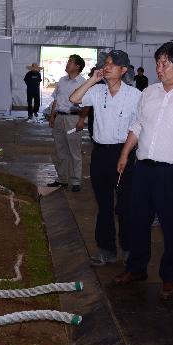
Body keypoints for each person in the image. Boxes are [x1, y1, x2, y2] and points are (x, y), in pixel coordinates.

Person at [113, 40, 173, 301]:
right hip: (143, 168)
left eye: (166, 63)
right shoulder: (149, 93)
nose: (160, 67)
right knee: (137, 222)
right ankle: (136, 268)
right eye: (158, 62)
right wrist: (124, 153)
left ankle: (170, 278)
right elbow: (138, 125)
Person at [70, 50, 142, 266]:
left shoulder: (135, 95)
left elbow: (138, 127)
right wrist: (92, 79)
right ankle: (106, 249)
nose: (107, 66)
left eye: (113, 64)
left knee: (125, 205)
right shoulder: (97, 91)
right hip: (100, 152)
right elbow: (74, 98)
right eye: (106, 63)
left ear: (124, 70)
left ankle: (128, 248)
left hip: (124, 153)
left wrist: (125, 154)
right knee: (103, 204)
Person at [47, 54, 89, 192]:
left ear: (77, 66)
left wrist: (82, 120)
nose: (67, 64)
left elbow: (87, 104)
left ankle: (76, 181)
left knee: (74, 151)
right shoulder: (61, 81)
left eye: (70, 62)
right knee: (60, 150)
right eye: (68, 61)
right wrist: (52, 116)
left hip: (73, 119)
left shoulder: (83, 83)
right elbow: (56, 100)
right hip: (59, 118)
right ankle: (62, 179)